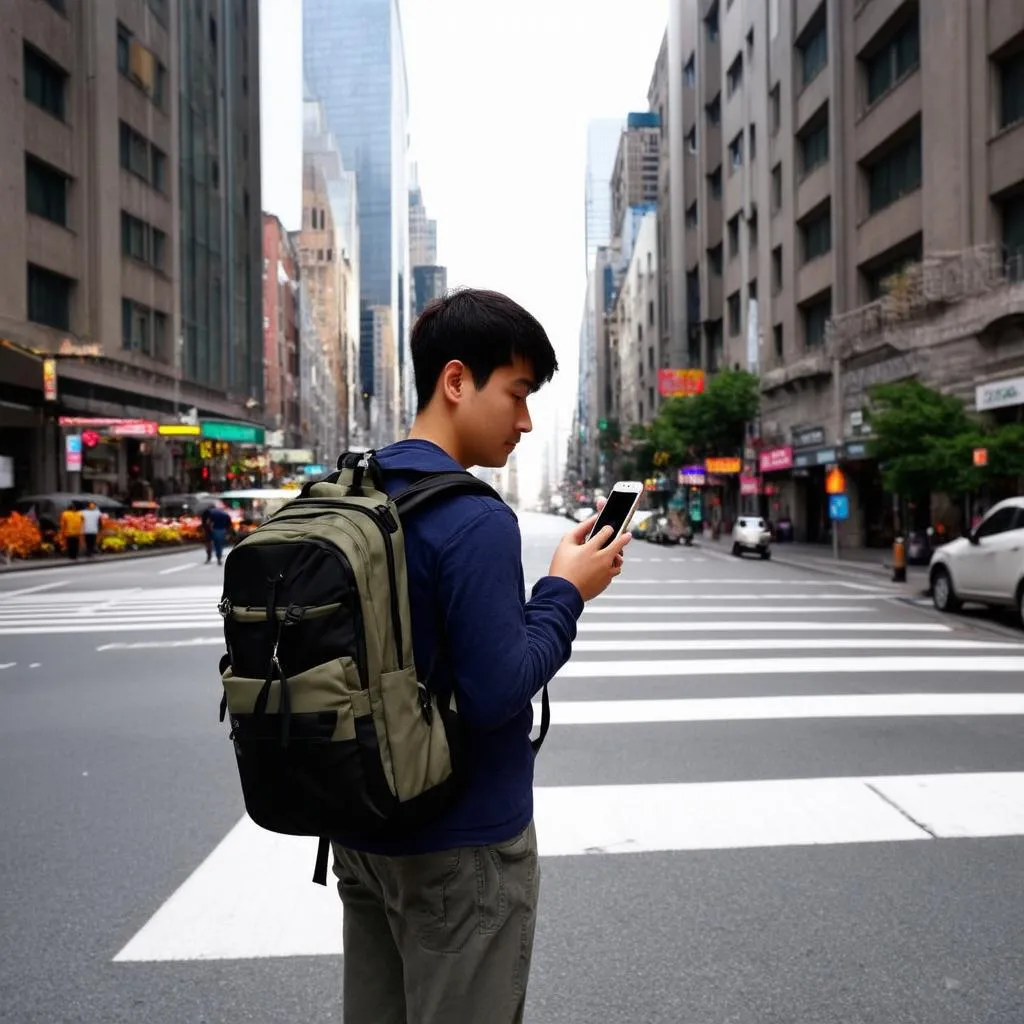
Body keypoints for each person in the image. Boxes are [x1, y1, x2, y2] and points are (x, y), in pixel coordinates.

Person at [331, 289, 631, 1024]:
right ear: (457, 381)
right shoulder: (473, 518)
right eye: (518, 394)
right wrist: (565, 591)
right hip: (459, 847)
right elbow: (498, 693)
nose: (526, 420)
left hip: (362, 833)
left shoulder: (350, 492)